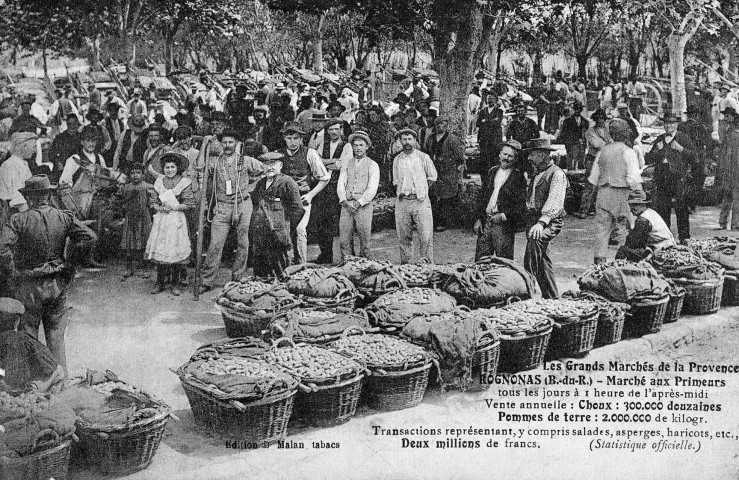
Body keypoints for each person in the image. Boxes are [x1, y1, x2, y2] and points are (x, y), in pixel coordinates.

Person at [0, 174, 97, 377]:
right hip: (57, 283)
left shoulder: (19, 220)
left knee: (29, 336)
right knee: (56, 336)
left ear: (29, 198)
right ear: (47, 195)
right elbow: (89, 237)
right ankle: (62, 383)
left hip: (28, 285)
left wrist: (13, 273)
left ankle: (35, 386)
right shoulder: (64, 217)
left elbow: (2, 248)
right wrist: (70, 265)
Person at [199, 130, 265, 293]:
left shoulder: (246, 160)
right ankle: (207, 280)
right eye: (224, 143)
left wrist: (251, 187)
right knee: (215, 244)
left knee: (243, 243)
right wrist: (203, 146)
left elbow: (265, 171)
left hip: (243, 204)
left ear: (236, 144)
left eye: (231, 142)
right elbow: (199, 166)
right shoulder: (215, 161)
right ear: (220, 144)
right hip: (222, 206)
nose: (227, 146)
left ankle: (238, 278)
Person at [587, 118, 643, 264]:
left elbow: (593, 179)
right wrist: (640, 195)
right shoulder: (628, 152)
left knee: (602, 231)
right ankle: (627, 263)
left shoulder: (602, 152)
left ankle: (599, 266)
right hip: (623, 196)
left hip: (603, 194)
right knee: (630, 229)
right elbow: (633, 179)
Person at [278, 122, 330, 264]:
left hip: (302, 200)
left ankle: (302, 266)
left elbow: (324, 178)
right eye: (289, 138)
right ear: (284, 138)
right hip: (283, 202)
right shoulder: (278, 155)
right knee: (283, 232)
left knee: (300, 230)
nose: (293, 142)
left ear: (301, 139)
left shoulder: (310, 153)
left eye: (296, 138)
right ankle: (286, 266)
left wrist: (311, 195)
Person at [146, 153, 196, 295]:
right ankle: (160, 282)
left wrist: (175, 207)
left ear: (177, 168)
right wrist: (160, 208)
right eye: (167, 167)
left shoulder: (184, 182)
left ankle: (176, 283)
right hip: (162, 220)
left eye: (172, 167)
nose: (169, 170)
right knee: (162, 248)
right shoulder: (159, 182)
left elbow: (189, 203)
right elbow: (153, 201)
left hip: (176, 219)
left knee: (175, 250)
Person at [523, 138, 567, 299]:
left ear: (542, 155)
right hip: (534, 219)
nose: (529, 158)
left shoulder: (557, 174)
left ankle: (526, 286)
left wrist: (541, 223)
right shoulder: (536, 172)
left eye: (532, 155)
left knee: (534, 246)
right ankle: (552, 297)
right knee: (543, 260)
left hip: (549, 221)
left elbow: (555, 203)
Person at [250, 153, 305, 279]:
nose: (270, 168)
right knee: (262, 269)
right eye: (267, 164)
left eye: (273, 164)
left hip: (279, 235)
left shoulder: (287, 182)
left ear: (280, 165)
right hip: (262, 233)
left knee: (281, 269)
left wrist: (287, 227)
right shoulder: (261, 183)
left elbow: (298, 209)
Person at [645, 113, 697, 243]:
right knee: (663, 210)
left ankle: (685, 238)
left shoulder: (683, 138)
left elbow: (695, 157)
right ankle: (666, 239)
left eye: (672, 123)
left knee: (682, 210)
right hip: (662, 178)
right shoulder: (659, 139)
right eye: (667, 123)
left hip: (679, 179)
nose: (669, 126)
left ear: (676, 125)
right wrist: (657, 151)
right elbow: (649, 159)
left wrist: (681, 149)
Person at [474, 139, 527, 261]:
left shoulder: (518, 177)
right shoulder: (492, 171)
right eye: (505, 154)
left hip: (503, 225)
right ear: (499, 155)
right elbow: (482, 197)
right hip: (486, 221)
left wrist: (503, 215)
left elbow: (520, 205)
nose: (506, 158)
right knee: (481, 261)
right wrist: (478, 218)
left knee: (504, 261)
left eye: (510, 156)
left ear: (515, 159)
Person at [393, 128, 438, 264]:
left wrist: (421, 189)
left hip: (420, 201)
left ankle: (427, 267)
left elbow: (432, 177)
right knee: (404, 238)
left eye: (410, 139)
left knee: (425, 237)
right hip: (403, 202)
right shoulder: (397, 160)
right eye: (404, 139)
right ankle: (406, 267)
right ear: (400, 141)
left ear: (415, 140)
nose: (407, 142)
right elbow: (396, 181)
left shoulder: (423, 157)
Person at [312, 118, 353, 263]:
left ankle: (347, 256)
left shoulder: (347, 146)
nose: (334, 132)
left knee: (343, 223)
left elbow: (342, 165)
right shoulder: (323, 144)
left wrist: (325, 162)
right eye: (331, 129)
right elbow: (315, 162)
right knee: (323, 222)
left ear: (341, 130)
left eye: (337, 129)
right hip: (324, 188)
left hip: (339, 186)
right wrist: (332, 162)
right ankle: (326, 254)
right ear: (327, 131)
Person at [336, 131, 380, 260]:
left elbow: (372, 188)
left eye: (361, 145)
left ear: (367, 146)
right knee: (344, 238)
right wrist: (344, 201)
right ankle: (347, 264)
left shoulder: (373, 165)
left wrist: (359, 202)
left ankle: (365, 265)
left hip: (363, 205)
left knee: (364, 238)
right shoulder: (347, 163)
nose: (358, 148)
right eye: (355, 145)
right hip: (347, 205)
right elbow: (341, 183)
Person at [425, 116, 464, 232]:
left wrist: (457, 170)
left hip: (448, 172)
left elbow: (459, 157)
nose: (440, 127)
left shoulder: (452, 139)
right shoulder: (431, 139)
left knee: (446, 197)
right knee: (433, 195)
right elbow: (426, 152)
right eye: (437, 125)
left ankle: (444, 222)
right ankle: (433, 221)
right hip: (434, 170)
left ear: (446, 126)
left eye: (442, 124)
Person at [616, 190, 676, 262]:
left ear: (643, 205)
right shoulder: (650, 212)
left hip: (661, 250)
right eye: (630, 205)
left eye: (635, 205)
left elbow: (632, 243)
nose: (631, 209)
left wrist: (627, 231)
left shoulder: (643, 219)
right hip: (665, 246)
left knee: (623, 250)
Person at [117, 164, 154, 278]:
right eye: (132, 173)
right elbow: (123, 202)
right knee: (129, 242)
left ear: (143, 174)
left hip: (144, 217)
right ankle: (129, 267)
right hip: (130, 217)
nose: (135, 175)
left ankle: (146, 267)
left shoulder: (148, 187)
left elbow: (153, 202)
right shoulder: (126, 187)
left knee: (145, 240)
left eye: (138, 172)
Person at [574, 108, 611, 219]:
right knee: (590, 184)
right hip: (593, 159)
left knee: (605, 184)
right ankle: (584, 209)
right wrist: (608, 144)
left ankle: (598, 209)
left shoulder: (608, 130)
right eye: (598, 119)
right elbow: (598, 144)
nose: (600, 121)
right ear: (595, 119)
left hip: (605, 159)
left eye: (602, 118)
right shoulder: (590, 132)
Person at [679, 104, 712, 211]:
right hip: (697, 158)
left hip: (683, 156)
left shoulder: (681, 126)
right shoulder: (701, 127)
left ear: (688, 115)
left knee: (685, 180)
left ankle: (685, 202)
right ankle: (692, 203)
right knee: (697, 181)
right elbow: (708, 142)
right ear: (697, 115)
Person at [0, 132, 36, 228]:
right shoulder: (9, 165)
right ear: (23, 146)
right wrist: (31, 220)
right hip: (13, 213)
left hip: (24, 210)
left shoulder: (23, 163)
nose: (35, 150)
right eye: (33, 147)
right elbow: (17, 197)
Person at [717, 106, 739, 230]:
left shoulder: (733, 132)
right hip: (730, 168)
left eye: (727, 116)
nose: (726, 118)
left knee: (733, 196)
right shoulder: (730, 129)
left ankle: (730, 222)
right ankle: (728, 222)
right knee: (730, 196)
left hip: (733, 168)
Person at [506, 103, 540, 175]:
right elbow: (508, 135)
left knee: (529, 164)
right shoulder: (513, 123)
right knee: (518, 166)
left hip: (528, 147)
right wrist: (512, 143)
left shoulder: (531, 122)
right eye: (518, 111)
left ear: (525, 112)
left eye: (522, 111)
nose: (520, 112)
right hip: (517, 147)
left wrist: (530, 142)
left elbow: (537, 134)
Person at [476, 92, 504, 176]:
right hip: (484, 139)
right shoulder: (482, 111)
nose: (490, 100)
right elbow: (478, 123)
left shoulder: (499, 111)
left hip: (495, 140)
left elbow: (497, 122)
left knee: (494, 160)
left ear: (495, 100)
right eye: (488, 99)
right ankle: (484, 180)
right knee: (484, 160)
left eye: (492, 98)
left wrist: (486, 121)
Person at [557, 101, 589, 170]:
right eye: (576, 109)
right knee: (570, 164)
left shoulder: (585, 122)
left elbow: (587, 134)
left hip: (581, 145)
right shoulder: (567, 121)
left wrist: (584, 143)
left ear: (581, 110)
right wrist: (568, 144)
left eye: (579, 109)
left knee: (581, 163)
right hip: (571, 144)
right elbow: (563, 134)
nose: (577, 111)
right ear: (574, 109)